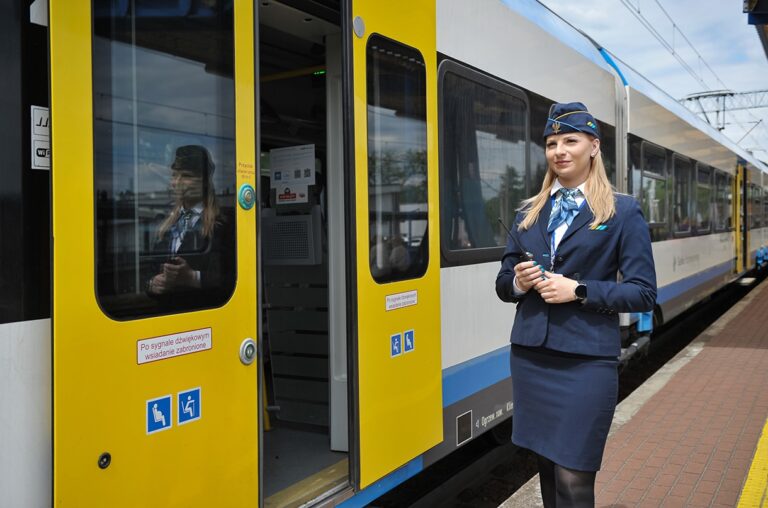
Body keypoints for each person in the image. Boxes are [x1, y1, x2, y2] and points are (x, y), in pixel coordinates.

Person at [495, 102, 657, 507]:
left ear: (593, 146)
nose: (559, 150)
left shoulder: (622, 212)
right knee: (548, 473)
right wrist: (517, 281)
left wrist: (579, 290)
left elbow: (643, 293)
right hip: (533, 356)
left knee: (574, 479)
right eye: (552, 143)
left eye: (570, 140)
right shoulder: (528, 213)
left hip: (585, 361)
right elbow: (502, 283)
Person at [146, 144, 234, 306]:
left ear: (205, 181)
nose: (176, 183)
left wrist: (193, 278)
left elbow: (238, 281)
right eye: (174, 176)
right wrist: (152, 283)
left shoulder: (226, 223)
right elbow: (149, 269)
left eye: (185, 176)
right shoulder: (163, 221)